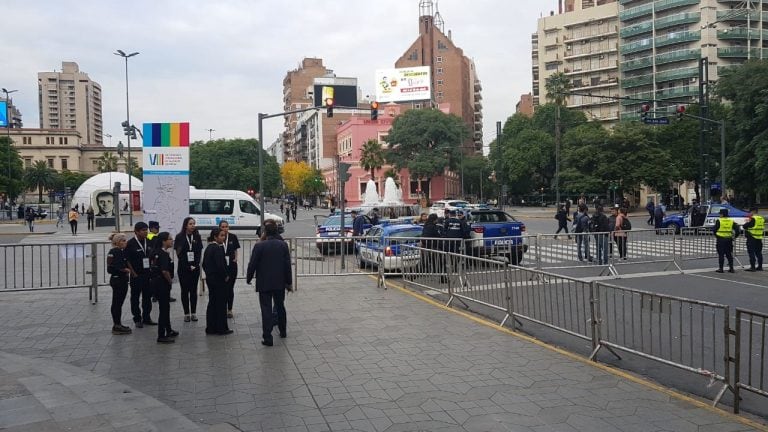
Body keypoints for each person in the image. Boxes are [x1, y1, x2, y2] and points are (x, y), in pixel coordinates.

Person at [246, 220, 292, 347]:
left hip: (264, 282)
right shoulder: (283, 245)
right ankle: (283, 331)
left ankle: (268, 337)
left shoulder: (259, 246)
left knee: (266, 309)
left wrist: (248, 278)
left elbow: (252, 264)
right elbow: (287, 265)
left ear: (265, 232)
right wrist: (289, 282)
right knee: (280, 306)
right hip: (279, 282)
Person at [203, 228, 233, 335]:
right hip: (218, 281)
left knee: (212, 303)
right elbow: (220, 265)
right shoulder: (217, 249)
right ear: (215, 237)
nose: (223, 238)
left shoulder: (208, 248)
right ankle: (221, 328)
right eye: (221, 236)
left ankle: (211, 327)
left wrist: (209, 274)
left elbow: (204, 264)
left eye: (224, 236)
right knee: (220, 304)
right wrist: (225, 276)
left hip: (211, 280)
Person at [150, 232, 179, 343]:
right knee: (164, 309)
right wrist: (170, 280)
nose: (172, 241)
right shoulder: (163, 254)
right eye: (170, 239)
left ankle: (169, 329)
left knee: (165, 307)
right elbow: (164, 270)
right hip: (161, 283)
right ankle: (161, 335)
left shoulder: (155, 252)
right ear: (163, 241)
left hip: (155, 282)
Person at [126, 222, 155, 328]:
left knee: (147, 297)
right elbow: (127, 260)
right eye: (143, 230)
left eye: (146, 230)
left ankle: (147, 317)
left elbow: (153, 256)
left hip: (148, 275)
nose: (146, 232)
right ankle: (137, 318)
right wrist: (133, 273)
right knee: (135, 297)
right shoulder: (130, 243)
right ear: (136, 231)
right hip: (136, 275)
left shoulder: (150, 241)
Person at [175, 217, 202, 322]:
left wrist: (195, 264)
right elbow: (179, 254)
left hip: (195, 268)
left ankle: (194, 313)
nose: (193, 225)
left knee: (193, 291)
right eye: (190, 224)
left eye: (194, 223)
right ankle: (186, 313)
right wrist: (187, 266)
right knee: (184, 291)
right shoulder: (179, 237)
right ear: (186, 225)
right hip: (183, 268)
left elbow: (199, 252)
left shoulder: (197, 236)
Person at [106, 233, 132, 335]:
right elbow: (112, 267)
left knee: (118, 303)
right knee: (117, 303)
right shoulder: (115, 251)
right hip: (118, 280)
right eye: (123, 241)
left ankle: (118, 323)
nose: (125, 242)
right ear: (117, 242)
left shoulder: (120, 251)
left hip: (121, 280)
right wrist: (124, 270)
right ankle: (116, 325)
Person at [220, 220, 241, 318]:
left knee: (230, 288)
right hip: (222, 266)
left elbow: (236, 249)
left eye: (226, 226)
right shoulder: (218, 237)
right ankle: (222, 308)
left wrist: (236, 258)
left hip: (232, 266)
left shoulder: (233, 237)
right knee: (223, 288)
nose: (224, 229)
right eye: (223, 227)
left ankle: (229, 309)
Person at [713, 208, 739, 273]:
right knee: (729, 254)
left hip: (721, 239)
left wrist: (717, 236)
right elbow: (737, 230)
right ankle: (731, 268)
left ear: (722, 214)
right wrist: (734, 237)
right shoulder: (731, 221)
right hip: (729, 239)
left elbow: (714, 230)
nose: (719, 215)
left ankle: (721, 269)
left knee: (721, 254)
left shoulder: (719, 221)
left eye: (720, 214)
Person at [743, 206, 764, 272]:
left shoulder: (753, 218)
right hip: (759, 238)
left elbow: (745, 226)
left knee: (751, 252)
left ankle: (753, 267)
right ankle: (760, 266)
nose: (750, 213)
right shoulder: (761, 218)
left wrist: (746, 224)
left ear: (753, 211)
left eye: (750, 212)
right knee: (759, 253)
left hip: (752, 238)